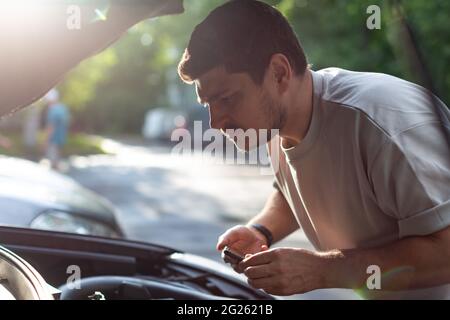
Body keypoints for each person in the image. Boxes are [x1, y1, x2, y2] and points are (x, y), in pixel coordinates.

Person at [177, 0, 450, 299]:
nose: (215, 122)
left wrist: (322, 270)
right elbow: (296, 187)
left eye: (227, 98)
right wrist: (261, 231)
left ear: (279, 73)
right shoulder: (275, 122)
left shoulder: (383, 125)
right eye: (208, 105)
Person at [44, 89, 70, 170]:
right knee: (57, 160)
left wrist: (46, 141)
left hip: (53, 139)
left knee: (53, 164)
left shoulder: (52, 110)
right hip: (61, 138)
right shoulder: (63, 108)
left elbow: (51, 127)